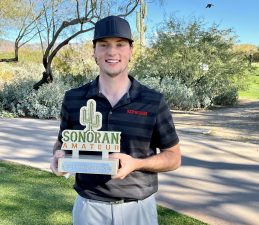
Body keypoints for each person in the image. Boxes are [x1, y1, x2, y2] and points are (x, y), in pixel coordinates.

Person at [50, 15, 181, 225]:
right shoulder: (73, 99)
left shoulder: (153, 101)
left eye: (120, 44)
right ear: (94, 51)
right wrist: (59, 155)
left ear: (131, 51)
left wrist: (136, 164)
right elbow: (62, 142)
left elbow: (174, 157)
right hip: (88, 208)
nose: (112, 52)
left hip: (138, 209)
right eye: (104, 45)